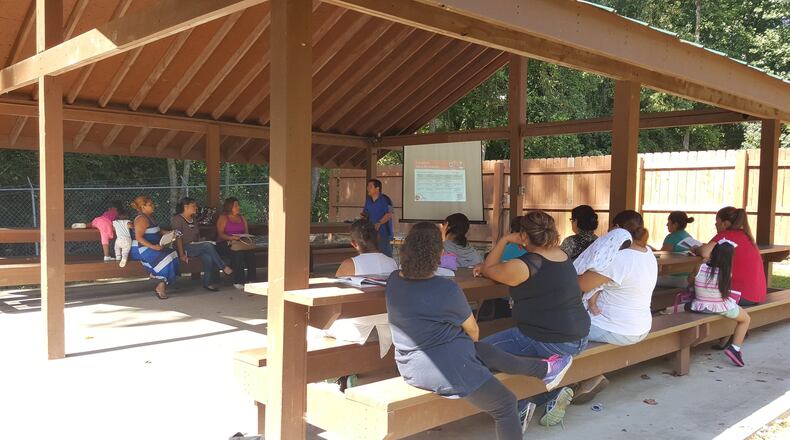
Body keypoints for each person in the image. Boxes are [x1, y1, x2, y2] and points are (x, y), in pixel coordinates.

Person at [387, 223, 569, 439]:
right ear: (440, 254)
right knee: (506, 404)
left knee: (485, 351)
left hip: (409, 366)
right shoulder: (447, 288)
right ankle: (544, 371)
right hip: (447, 370)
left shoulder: (394, 280)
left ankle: (545, 370)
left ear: (406, 249)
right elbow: (473, 331)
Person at [476, 211, 587, 427]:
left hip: (548, 340)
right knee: (510, 355)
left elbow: (488, 269)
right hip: (578, 337)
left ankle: (519, 405)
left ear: (523, 235)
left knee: (477, 354)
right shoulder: (561, 255)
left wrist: (505, 239)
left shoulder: (524, 265)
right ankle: (551, 394)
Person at [572, 210, 658, 405]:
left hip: (617, 328)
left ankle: (587, 376)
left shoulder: (620, 259)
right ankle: (589, 374)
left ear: (616, 229)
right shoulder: (648, 253)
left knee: (560, 329)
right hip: (641, 325)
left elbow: (581, 285)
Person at [689, 240, 751, 367]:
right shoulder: (726, 272)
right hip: (719, 307)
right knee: (745, 319)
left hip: (699, 305)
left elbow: (689, 280)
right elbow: (724, 293)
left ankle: (724, 341)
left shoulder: (699, 266)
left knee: (733, 313)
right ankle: (735, 349)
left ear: (713, 253)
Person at [695, 207, 766, 306]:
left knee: (698, 290)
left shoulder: (726, 235)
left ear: (725, 224)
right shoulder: (745, 235)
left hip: (740, 295)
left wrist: (696, 249)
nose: (715, 224)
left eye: (717, 221)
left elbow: (704, 252)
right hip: (757, 295)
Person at [172, 197, 233, 292]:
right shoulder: (177, 219)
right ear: (186, 207)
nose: (196, 208)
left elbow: (196, 235)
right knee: (207, 246)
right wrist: (182, 254)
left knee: (208, 258)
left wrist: (202, 240)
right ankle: (223, 267)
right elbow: (178, 238)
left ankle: (207, 283)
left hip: (196, 246)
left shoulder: (193, 219)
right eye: (193, 206)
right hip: (184, 248)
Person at [129, 196, 179, 299]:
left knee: (173, 253)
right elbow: (138, 237)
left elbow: (158, 231)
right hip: (142, 249)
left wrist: (171, 233)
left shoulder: (151, 217)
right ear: (143, 207)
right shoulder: (141, 219)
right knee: (167, 258)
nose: (153, 206)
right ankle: (161, 285)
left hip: (154, 247)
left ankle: (161, 278)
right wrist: (153, 247)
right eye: (150, 205)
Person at [216, 197, 258, 289]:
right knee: (238, 254)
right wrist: (232, 238)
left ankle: (252, 278)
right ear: (229, 207)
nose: (238, 207)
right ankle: (239, 280)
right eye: (236, 206)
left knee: (250, 253)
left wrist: (244, 237)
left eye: (238, 205)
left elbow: (246, 232)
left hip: (240, 242)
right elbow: (220, 235)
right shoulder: (223, 218)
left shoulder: (242, 218)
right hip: (225, 243)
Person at [657, 211, 697, 287]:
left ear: (675, 224)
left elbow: (660, 256)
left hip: (674, 277)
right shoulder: (688, 236)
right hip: (688, 278)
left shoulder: (671, 237)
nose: (667, 224)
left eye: (669, 222)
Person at [361, 179, 394, 257]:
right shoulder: (368, 200)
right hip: (371, 234)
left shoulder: (385, 199)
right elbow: (365, 213)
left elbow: (390, 214)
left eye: (370, 186)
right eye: (367, 186)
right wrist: (362, 218)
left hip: (384, 234)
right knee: (372, 255)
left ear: (377, 188)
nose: (367, 188)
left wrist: (379, 223)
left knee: (386, 256)